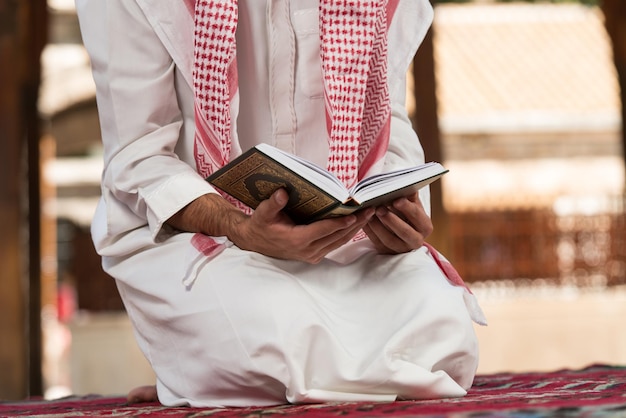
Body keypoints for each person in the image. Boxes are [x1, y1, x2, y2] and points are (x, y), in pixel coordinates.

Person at [76, 0, 486, 408]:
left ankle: (215, 378)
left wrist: (397, 211)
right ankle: (213, 369)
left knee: (442, 324)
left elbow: (385, 118)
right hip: (199, 244)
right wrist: (239, 227)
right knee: (270, 330)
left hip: (344, 243)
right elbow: (139, 159)